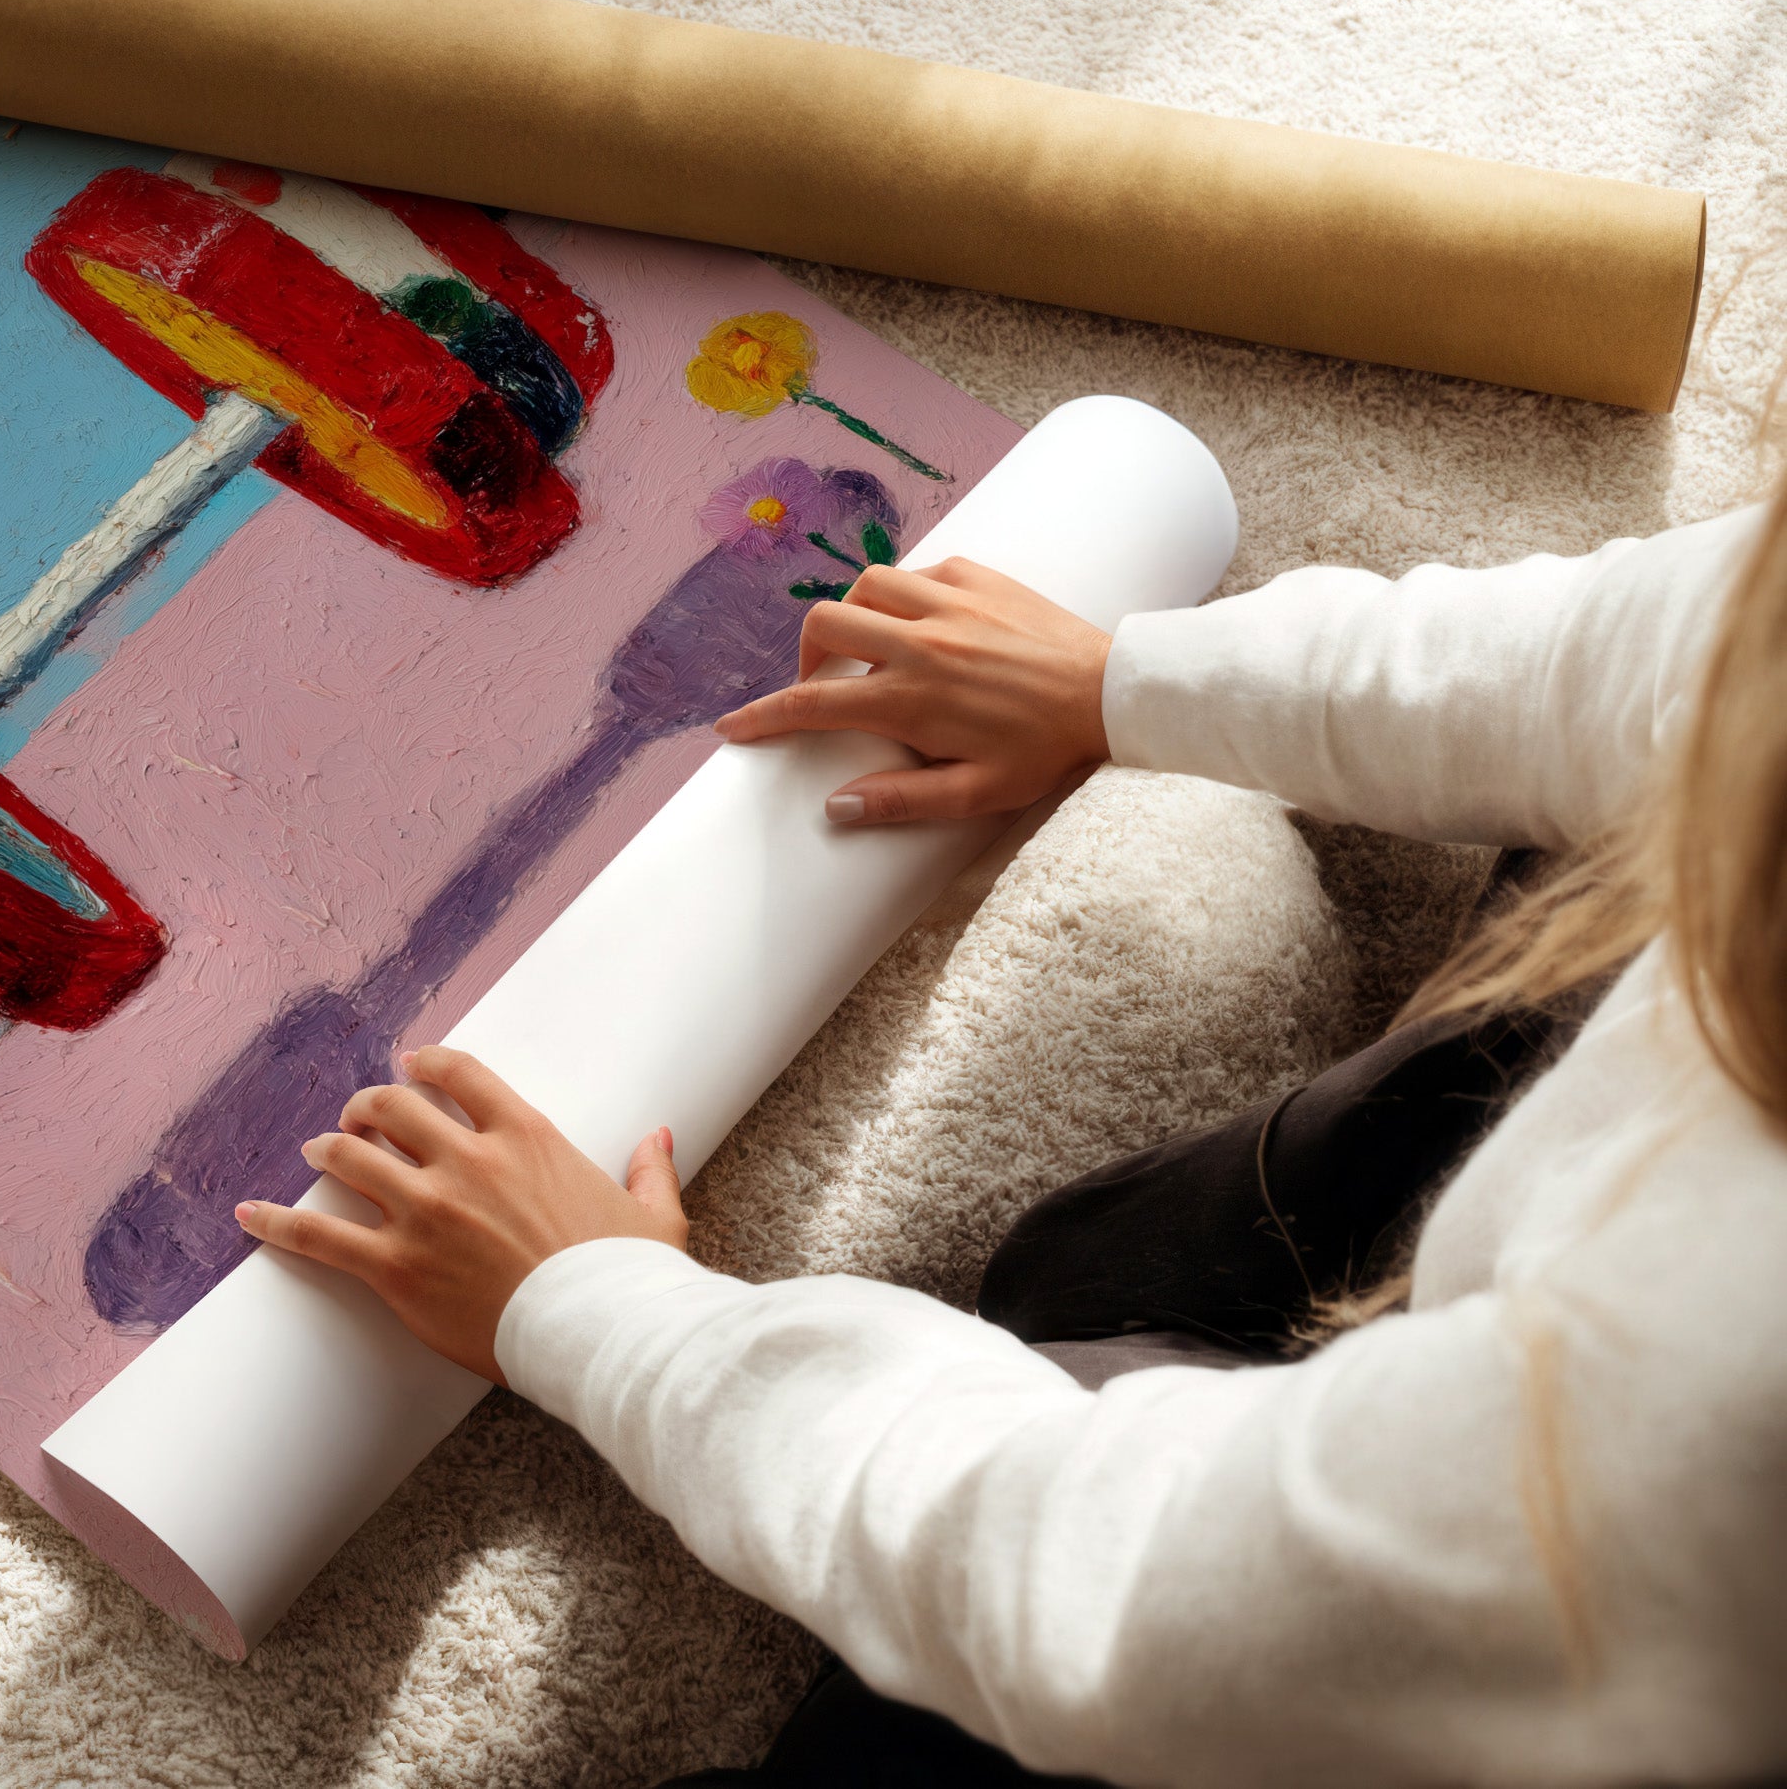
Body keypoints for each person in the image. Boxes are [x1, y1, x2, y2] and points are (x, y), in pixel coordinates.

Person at [235, 485, 1787, 1786]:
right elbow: (1656, 649)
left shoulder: (1711, 1406)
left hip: (1547, 1642)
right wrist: (1119, 681)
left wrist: (598, 1310)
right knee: (1090, 1269)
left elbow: (1113, 1591)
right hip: (1572, 1322)